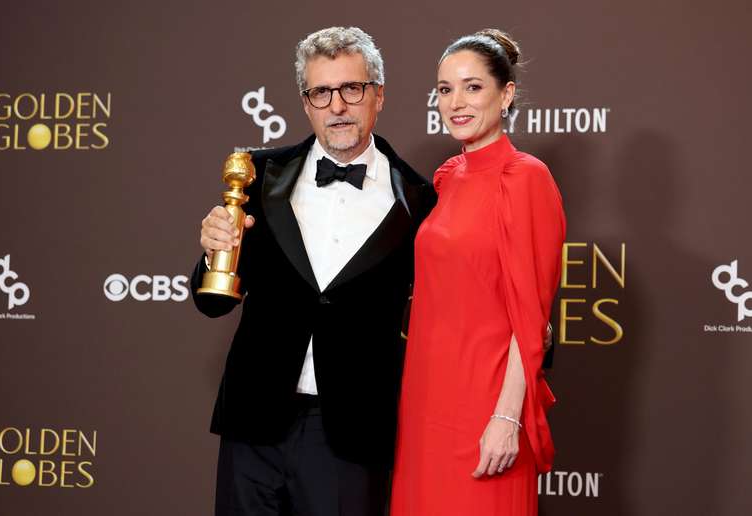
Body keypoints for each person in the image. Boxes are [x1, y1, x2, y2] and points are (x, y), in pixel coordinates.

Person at [190, 27, 435, 516]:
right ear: (306, 103)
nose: (337, 106)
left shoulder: (420, 200)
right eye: (321, 92)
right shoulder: (259, 175)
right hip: (254, 423)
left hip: (350, 434)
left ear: (379, 95)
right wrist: (213, 252)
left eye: (352, 89)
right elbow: (211, 301)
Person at [390, 29, 566, 516]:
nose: (456, 103)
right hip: (425, 399)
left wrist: (507, 416)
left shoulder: (526, 178)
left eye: (472, 87)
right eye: (445, 89)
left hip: (486, 403)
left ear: (506, 94)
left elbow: (530, 317)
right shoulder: (448, 177)